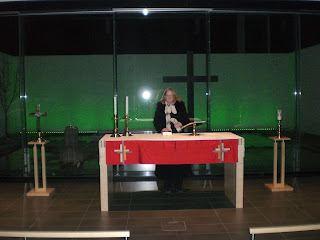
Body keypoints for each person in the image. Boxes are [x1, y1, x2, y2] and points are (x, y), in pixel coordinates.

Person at [154, 88, 190, 193]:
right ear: (164, 97)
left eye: (171, 95)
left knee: (179, 162)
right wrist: (162, 128)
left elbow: (186, 119)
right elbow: (156, 121)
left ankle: (178, 186)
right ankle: (167, 186)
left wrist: (181, 124)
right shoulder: (160, 106)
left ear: (174, 96)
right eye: (167, 95)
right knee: (166, 162)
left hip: (179, 137)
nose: (169, 97)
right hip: (165, 138)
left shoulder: (180, 105)